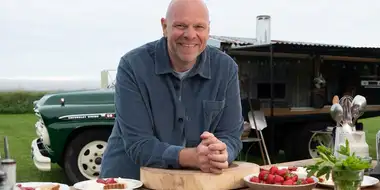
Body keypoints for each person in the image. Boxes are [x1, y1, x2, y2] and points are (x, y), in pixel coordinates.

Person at [100, 0, 244, 180]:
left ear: (208, 29)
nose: (190, 35)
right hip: (129, 180)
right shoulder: (133, 66)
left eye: (199, 26)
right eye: (181, 25)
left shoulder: (226, 69)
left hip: (191, 182)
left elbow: (231, 134)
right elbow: (138, 144)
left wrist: (222, 152)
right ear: (164, 26)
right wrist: (192, 157)